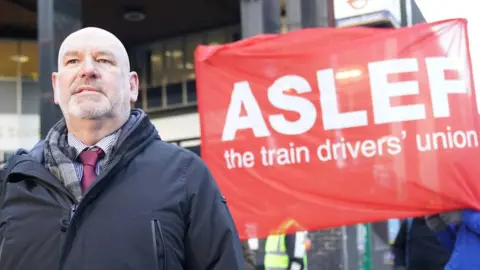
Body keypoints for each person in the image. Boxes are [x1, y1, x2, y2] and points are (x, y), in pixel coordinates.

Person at [0, 27, 243, 270]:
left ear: (132, 86)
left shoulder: (186, 175)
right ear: (55, 86)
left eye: (103, 60)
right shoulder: (12, 182)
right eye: (73, 61)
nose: (87, 70)